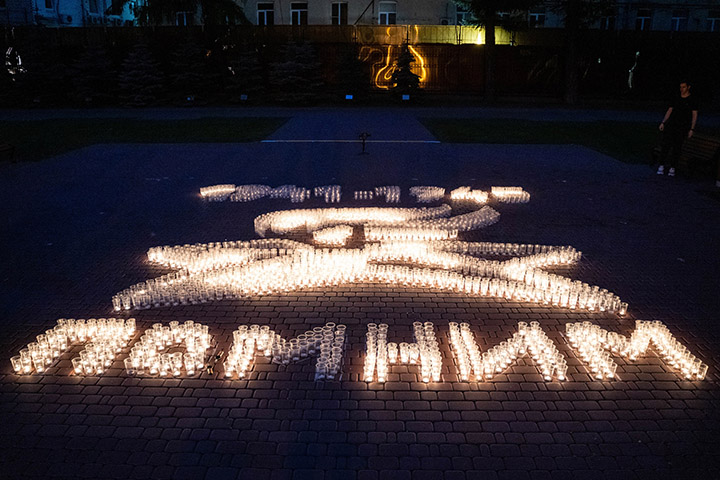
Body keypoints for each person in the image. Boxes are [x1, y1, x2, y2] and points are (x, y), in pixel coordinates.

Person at [657, 81, 699, 177]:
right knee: (666, 145)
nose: (681, 89)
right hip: (672, 125)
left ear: (688, 87)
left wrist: (692, 129)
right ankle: (661, 165)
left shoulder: (692, 100)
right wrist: (663, 122)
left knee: (677, 147)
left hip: (682, 127)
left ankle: (673, 167)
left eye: (683, 87)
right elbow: (670, 110)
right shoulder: (676, 98)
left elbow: (694, 114)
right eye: (680, 87)